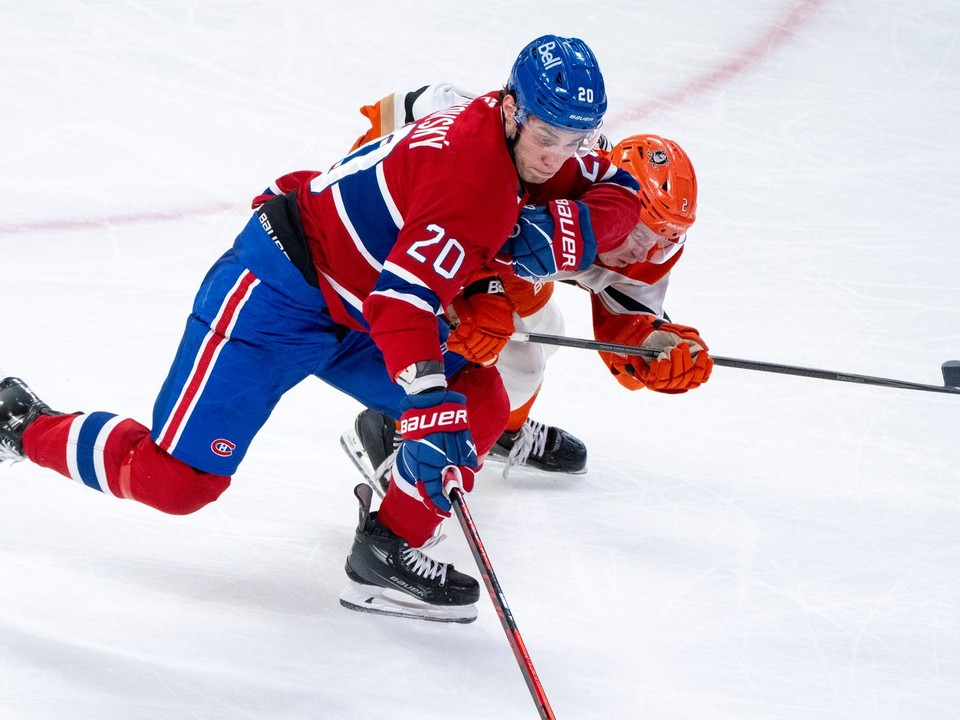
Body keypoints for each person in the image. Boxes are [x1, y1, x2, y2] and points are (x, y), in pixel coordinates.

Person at [0, 35, 642, 623]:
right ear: (511, 109)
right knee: (177, 484)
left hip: (356, 301)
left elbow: (622, 189)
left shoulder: (520, 141)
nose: (560, 156)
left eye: (575, 139)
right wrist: (426, 400)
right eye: (548, 137)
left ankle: (386, 551)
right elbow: (403, 304)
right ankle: (22, 424)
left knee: (479, 398)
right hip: (278, 296)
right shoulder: (470, 181)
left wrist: (563, 233)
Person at [343, 86, 713, 486]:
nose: (646, 253)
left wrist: (656, 347)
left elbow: (628, 321)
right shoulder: (551, 170)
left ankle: (499, 428)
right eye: (641, 233)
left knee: (548, 333)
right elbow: (420, 109)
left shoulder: (639, 244)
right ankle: (393, 425)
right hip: (418, 223)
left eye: (667, 241)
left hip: (495, 251)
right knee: (518, 366)